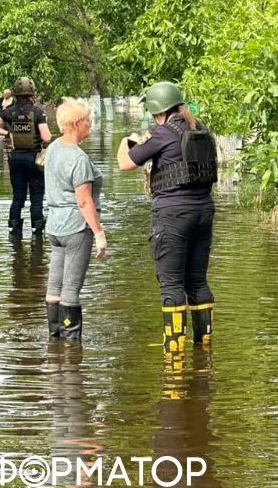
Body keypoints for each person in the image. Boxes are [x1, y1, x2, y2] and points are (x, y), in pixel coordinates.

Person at [117, 81, 218, 351]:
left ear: (156, 110)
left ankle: (174, 355)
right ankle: (204, 348)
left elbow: (125, 163)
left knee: (171, 285)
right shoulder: (202, 129)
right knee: (197, 281)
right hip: (204, 212)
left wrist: (125, 141)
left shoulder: (163, 133)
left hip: (172, 215)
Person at [43, 98, 106, 340]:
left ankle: (54, 341)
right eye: (88, 121)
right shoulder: (78, 158)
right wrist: (99, 233)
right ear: (76, 123)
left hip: (55, 226)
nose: (90, 125)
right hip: (76, 228)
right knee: (70, 288)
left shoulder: (53, 149)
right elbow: (83, 201)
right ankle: (71, 350)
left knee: (54, 287)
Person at [0, 77, 53, 236]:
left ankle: (14, 232)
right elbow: (47, 137)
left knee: (18, 198)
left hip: (15, 159)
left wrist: (8, 133)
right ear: (32, 93)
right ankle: (37, 232)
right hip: (34, 160)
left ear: (15, 93)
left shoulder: (9, 111)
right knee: (36, 198)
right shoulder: (37, 112)